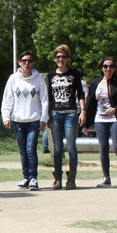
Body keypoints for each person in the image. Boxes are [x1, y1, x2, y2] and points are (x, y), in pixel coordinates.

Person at [83, 56, 117, 187]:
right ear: (101, 68)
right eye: (105, 66)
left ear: (115, 68)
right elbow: (90, 104)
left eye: (111, 66)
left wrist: (115, 109)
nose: (108, 69)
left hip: (115, 118)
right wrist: (86, 123)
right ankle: (106, 177)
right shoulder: (95, 82)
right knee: (103, 148)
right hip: (100, 119)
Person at [1, 51, 48, 190]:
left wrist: (44, 118)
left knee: (30, 148)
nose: (26, 63)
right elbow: (7, 99)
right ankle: (26, 177)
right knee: (22, 150)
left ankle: (33, 177)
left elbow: (45, 100)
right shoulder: (13, 79)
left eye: (30, 61)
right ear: (19, 62)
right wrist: (6, 117)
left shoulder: (38, 79)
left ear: (33, 63)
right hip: (18, 120)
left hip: (33, 119)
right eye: (24, 60)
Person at [45, 44, 85, 190]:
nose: (60, 59)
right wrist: (48, 114)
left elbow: (80, 93)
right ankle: (57, 178)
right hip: (56, 113)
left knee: (71, 147)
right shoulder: (50, 75)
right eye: (58, 56)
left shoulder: (74, 73)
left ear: (68, 58)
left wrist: (83, 111)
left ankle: (72, 178)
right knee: (57, 148)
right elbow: (49, 96)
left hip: (71, 113)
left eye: (63, 57)